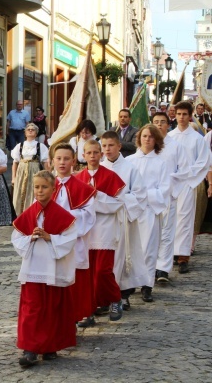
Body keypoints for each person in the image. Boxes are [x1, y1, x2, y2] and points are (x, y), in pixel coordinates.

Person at [12, 170, 77, 368]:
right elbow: (16, 238)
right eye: (37, 187)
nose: (40, 191)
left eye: (44, 187)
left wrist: (51, 238)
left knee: (52, 308)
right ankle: (30, 348)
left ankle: (50, 346)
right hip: (33, 269)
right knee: (32, 308)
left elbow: (70, 239)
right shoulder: (29, 213)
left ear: (53, 188)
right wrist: (30, 237)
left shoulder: (63, 216)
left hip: (54, 270)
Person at [75, 140, 126, 321]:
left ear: (101, 154)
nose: (93, 156)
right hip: (85, 231)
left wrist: (98, 195)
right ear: (83, 155)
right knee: (86, 274)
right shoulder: (78, 178)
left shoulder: (110, 176)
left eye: (96, 152)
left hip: (104, 228)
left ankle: (115, 299)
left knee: (102, 271)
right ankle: (87, 311)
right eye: (89, 153)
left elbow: (118, 203)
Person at [100, 131, 150, 311]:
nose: (107, 149)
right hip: (104, 222)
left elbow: (140, 195)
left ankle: (124, 294)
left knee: (126, 256)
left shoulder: (130, 169)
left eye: (111, 145)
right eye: (104, 146)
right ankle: (106, 296)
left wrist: (120, 201)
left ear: (119, 146)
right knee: (107, 260)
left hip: (124, 219)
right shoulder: (98, 168)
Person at [49, 143, 96, 327]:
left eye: (66, 158)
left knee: (75, 278)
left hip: (74, 241)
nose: (62, 162)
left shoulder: (83, 188)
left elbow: (89, 215)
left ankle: (75, 315)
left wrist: (63, 217)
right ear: (52, 161)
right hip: (51, 240)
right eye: (59, 158)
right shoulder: (45, 184)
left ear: (74, 161)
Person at [126, 125, 170, 303]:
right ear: (139, 138)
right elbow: (125, 187)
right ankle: (129, 284)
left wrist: (145, 196)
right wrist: (134, 199)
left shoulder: (161, 163)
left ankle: (147, 285)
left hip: (151, 210)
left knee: (149, 249)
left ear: (156, 141)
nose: (147, 139)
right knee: (132, 249)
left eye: (151, 137)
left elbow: (164, 189)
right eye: (144, 136)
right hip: (133, 211)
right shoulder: (129, 161)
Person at [167, 101, 211, 274]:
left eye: (185, 114)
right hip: (172, 183)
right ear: (175, 115)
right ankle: (170, 253)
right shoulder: (169, 137)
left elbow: (204, 161)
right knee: (171, 218)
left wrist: (189, 175)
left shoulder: (197, 139)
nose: (181, 117)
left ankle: (183, 255)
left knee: (185, 219)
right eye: (179, 114)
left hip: (187, 183)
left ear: (190, 115)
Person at [152, 112, 188, 283]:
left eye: (162, 122)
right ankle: (150, 267)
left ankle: (163, 269)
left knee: (167, 232)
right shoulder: (147, 145)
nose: (159, 125)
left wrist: (173, 190)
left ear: (168, 124)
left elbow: (184, 170)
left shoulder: (175, 146)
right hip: (150, 197)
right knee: (151, 233)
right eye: (156, 122)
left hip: (168, 195)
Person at [11, 123, 50, 216]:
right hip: (21, 172)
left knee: (33, 192)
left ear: (36, 133)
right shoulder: (19, 146)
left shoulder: (40, 146)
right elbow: (15, 162)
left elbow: (45, 163)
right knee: (20, 192)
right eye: (28, 129)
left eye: (33, 129)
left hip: (35, 172)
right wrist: (14, 177)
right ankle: (19, 216)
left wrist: (48, 176)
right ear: (25, 133)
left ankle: (31, 214)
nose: (30, 130)